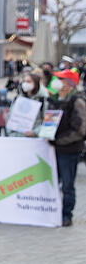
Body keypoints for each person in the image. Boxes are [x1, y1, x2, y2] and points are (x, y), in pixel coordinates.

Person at [47, 70, 86, 227]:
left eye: (61, 79)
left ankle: (66, 215)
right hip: (53, 149)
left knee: (68, 185)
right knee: (53, 183)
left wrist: (60, 141)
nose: (56, 82)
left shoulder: (77, 101)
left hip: (68, 150)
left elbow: (80, 130)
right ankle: (53, 212)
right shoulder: (54, 99)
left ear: (69, 84)